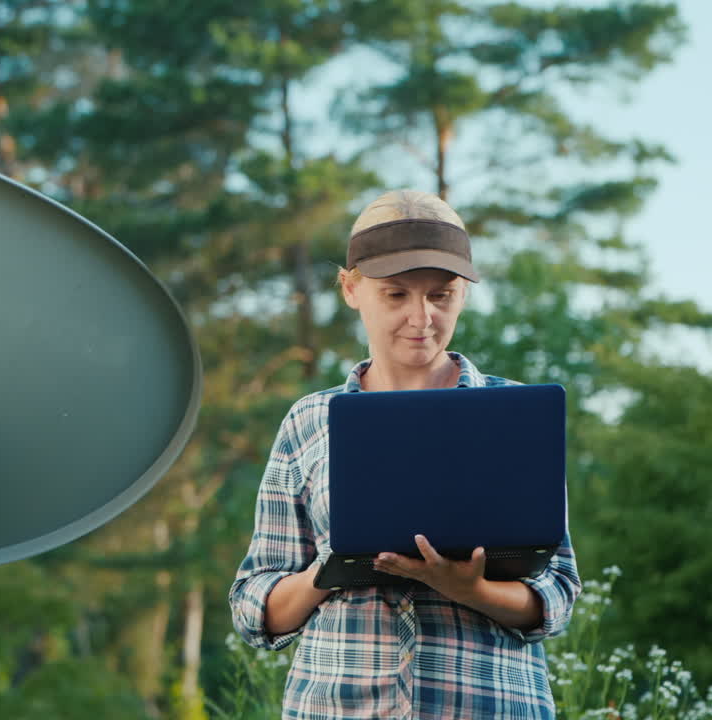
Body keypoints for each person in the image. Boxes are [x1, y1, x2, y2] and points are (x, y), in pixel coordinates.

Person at [228, 189, 581, 719]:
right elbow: (255, 608)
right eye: (396, 295)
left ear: (462, 292)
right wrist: (329, 571)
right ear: (351, 288)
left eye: (442, 295)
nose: (422, 317)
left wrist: (472, 589)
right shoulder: (308, 422)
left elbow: (556, 595)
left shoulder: (514, 416)